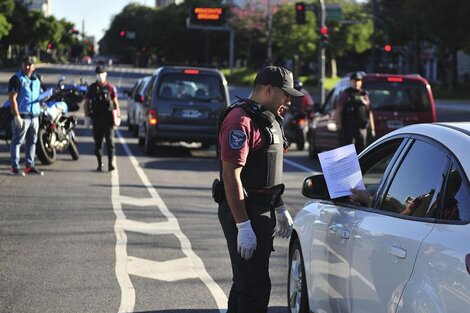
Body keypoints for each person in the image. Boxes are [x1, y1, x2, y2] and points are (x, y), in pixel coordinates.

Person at [213, 66, 303, 313]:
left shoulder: (268, 119)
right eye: (285, 95)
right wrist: (243, 225)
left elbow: (266, 170)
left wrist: (280, 206)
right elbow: (231, 175)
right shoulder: (240, 121)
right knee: (255, 287)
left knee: (246, 283)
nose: (288, 101)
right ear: (268, 90)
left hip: (262, 209)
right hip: (244, 209)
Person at [8, 56, 44, 176]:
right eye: (25, 64)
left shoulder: (36, 79)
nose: (27, 66)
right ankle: (15, 167)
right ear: (22, 65)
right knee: (17, 142)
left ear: (34, 67)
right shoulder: (17, 78)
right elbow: (12, 98)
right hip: (22, 116)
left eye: (30, 64)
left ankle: (29, 165)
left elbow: (39, 95)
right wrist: (16, 115)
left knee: (32, 141)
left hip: (34, 116)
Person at [84, 66, 121, 172]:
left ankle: (110, 163)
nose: (100, 76)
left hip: (108, 119)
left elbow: (115, 102)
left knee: (110, 142)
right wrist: (86, 117)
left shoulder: (110, 87)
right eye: (98, 74)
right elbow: (86, 103)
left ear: (106, 74)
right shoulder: (92, 88)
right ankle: (100, 164)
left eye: (102, 73)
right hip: (96, 118)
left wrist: (118, 115)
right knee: (98, 143)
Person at [336, 72, 375, 153]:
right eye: (355, 81)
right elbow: (339, 111)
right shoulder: (346, 94)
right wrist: (339, 128)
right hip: (348, 128)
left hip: (362, 127)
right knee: (348, 151)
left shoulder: (364, 94)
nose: (357, 83)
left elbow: (369, 112)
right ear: (351, 82)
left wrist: (372, 129)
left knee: (361, 151)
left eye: (359, 81)